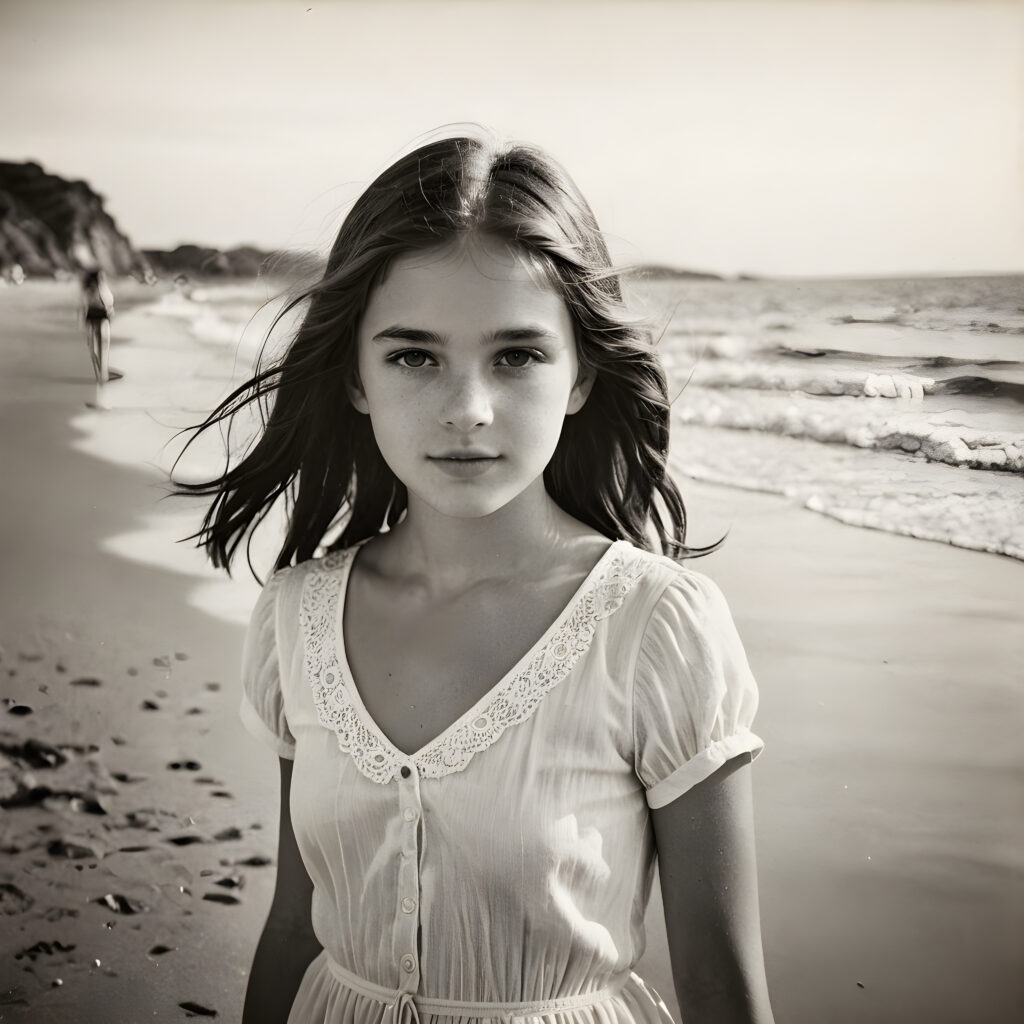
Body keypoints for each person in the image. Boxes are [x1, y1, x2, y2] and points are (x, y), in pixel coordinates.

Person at [178, 131, 775, 1024]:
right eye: (414, 356)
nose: (467, 410)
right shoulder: (298, 617)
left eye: (518, 356)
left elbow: (722, 989)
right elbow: (296, 926)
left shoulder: (655, 628)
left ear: (581, 375)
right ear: (355, 377)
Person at [80, 269, 114, 385]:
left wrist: (82, 322)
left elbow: (84, 306)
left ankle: (100, 375)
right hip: (100, 317)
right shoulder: (101, 289)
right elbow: (108, 304)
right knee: (102, 347)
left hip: (92, 318)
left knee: (95, 348)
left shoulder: (89, 290)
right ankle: (103, 375)